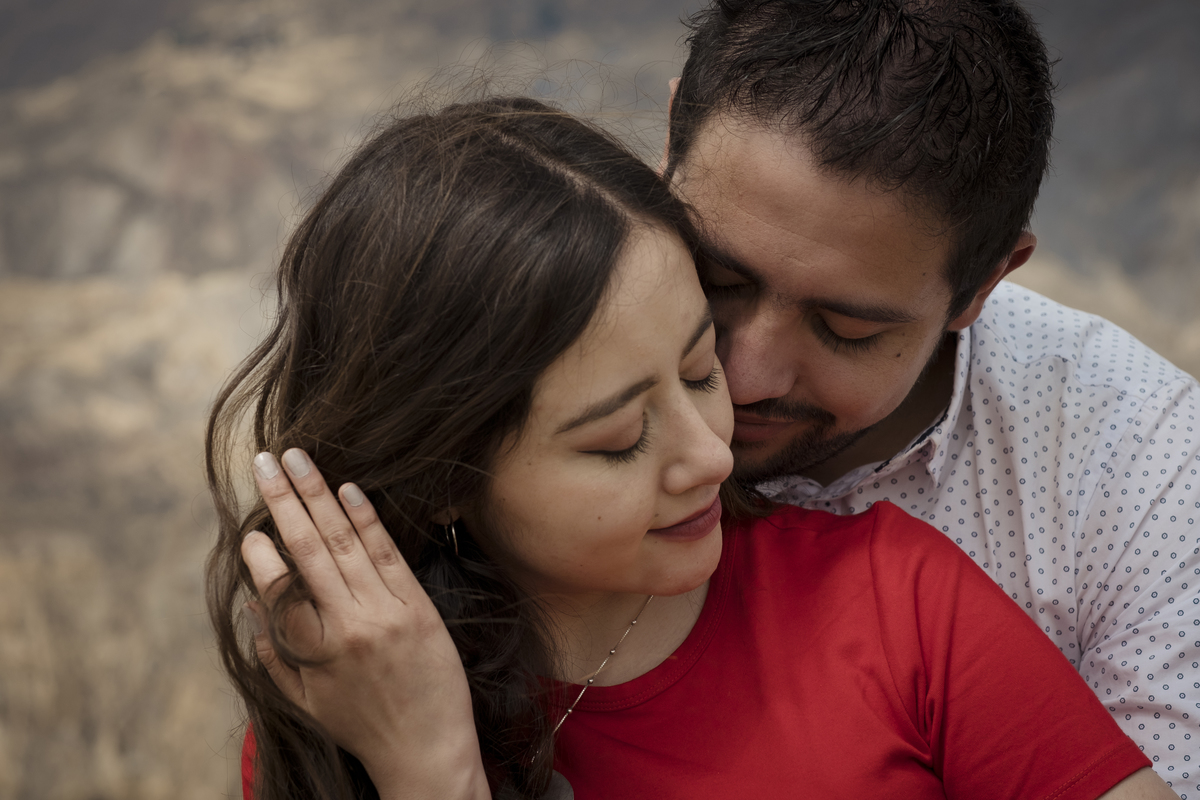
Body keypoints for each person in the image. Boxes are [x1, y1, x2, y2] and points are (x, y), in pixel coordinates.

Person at [207, 97, 1174, 799]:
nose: (713, 454)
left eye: (699, 369)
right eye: (621, 438)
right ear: (444, 476)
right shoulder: (349, 700)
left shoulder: (898, 598)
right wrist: (432, 772)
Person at [659, 0, 1200, 788]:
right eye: (718, 279)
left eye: (845, 329)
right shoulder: (515, 328)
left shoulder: (1152, 478)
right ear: (673, 137)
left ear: (983, 284)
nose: (743, 377)